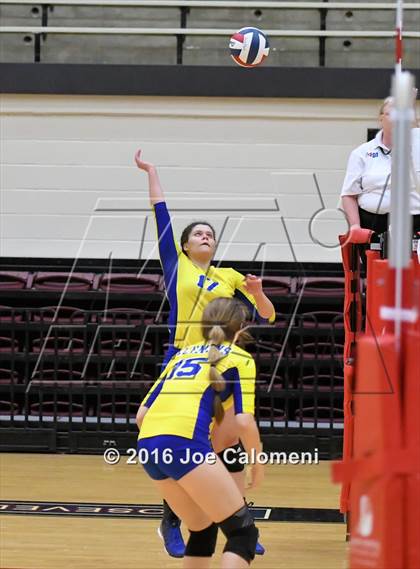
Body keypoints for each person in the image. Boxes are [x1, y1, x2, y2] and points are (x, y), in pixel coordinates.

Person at [135, 149, 275, 557]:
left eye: (211, 234)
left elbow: (266, 317)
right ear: (184, 244)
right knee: (187, 439)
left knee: (222, 440)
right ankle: (172, 518)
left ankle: (235, 518)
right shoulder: (176, 265)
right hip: (181, 358)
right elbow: (160, 212)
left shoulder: (229, 276)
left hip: (218, 361)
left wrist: (260, 292)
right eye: (198, 233)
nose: (206, 237)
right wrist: (152, 172)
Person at [136, 297, 264, 569]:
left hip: (147, 445)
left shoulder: (181, 355)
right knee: (243, 533)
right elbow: (243, 421)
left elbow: (141, 415)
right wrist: (257, 463)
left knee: (202, 528)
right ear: (240, 329)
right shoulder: (240, 359)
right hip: (184, 445)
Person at [341, 94, 420, 237]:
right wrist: (355, 226)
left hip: (414, 222)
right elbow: (348, 194)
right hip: (374, 223)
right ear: (381, 118)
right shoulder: (361, 153)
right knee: (374, 259)